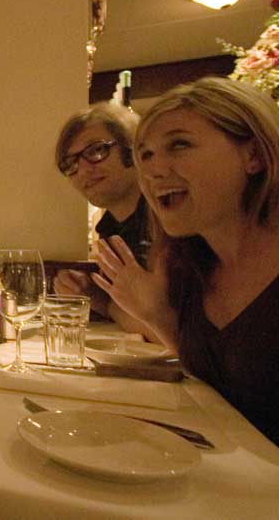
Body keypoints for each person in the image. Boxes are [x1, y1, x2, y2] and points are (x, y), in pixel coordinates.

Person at [91, 77, 279, 445]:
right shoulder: (192, 265)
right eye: (145, 154)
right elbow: (218, 379)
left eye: (179, 145)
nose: (153, 170)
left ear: (253, 155)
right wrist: (157, 314)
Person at [51, 103, 153, 336]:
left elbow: (166, 327)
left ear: (132, 149)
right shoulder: (110, 229)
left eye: (96, 151)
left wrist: (104, 304)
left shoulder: (168, 222)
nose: (83, 170)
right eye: (71, 163)